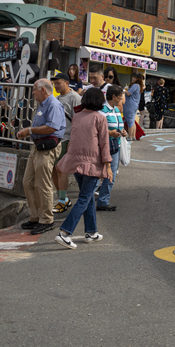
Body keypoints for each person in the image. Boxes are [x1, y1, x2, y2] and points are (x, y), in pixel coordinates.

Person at [53, 87, 113, 249]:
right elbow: (104, 144)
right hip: (92, 164)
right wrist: (107, 166)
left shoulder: (78, 117)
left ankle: (91, 232)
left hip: (75, 162)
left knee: (86, 199)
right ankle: (65, 233)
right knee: (84, 199)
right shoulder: (100, 118)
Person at [17, 78, 66, 235]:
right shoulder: (43, 105)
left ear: (43, 90)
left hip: (47, 147)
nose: (32, 93)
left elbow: (52, 126)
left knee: (42, 184)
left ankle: (46, 219)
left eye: (34, 89)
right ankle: (35, 216)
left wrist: (30, 130)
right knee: (28, 182)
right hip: (37, 146)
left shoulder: (53, 104)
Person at [51, 72, 81, 214]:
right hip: (56, 138)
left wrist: (73, 141)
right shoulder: (56, 99)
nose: (56, 86)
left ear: (67, 83)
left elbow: (79, 120)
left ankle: (62, 201)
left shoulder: (75, 97)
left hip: (67, 138)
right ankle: (63, 198)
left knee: (61, 169)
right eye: (54, 83)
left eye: (58, 83)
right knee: (53, 169)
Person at [96, 85, 126, 212]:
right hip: (103, 147)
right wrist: (110, 133)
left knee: (110, 175)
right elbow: (96, 129)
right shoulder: (102, 110)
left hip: (115, 147)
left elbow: (119, 125)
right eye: (120, 97)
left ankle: (103, 201)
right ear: (113, 96)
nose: (121, 99)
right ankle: (88, 200)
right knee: (97, 174)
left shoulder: (116, 110)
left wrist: (122, 132)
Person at [123, 72, 144, 139]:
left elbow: (128, 93)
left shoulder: (135, 85)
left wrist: (123, 90)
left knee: (130, 121)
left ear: (137, 79)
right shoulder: (138, 86)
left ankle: (130, 136)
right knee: (132, 121)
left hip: (130, 105)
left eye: (135, 77)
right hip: (134, 105)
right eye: (133, 77)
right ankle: (133, 136)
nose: (133, 78)